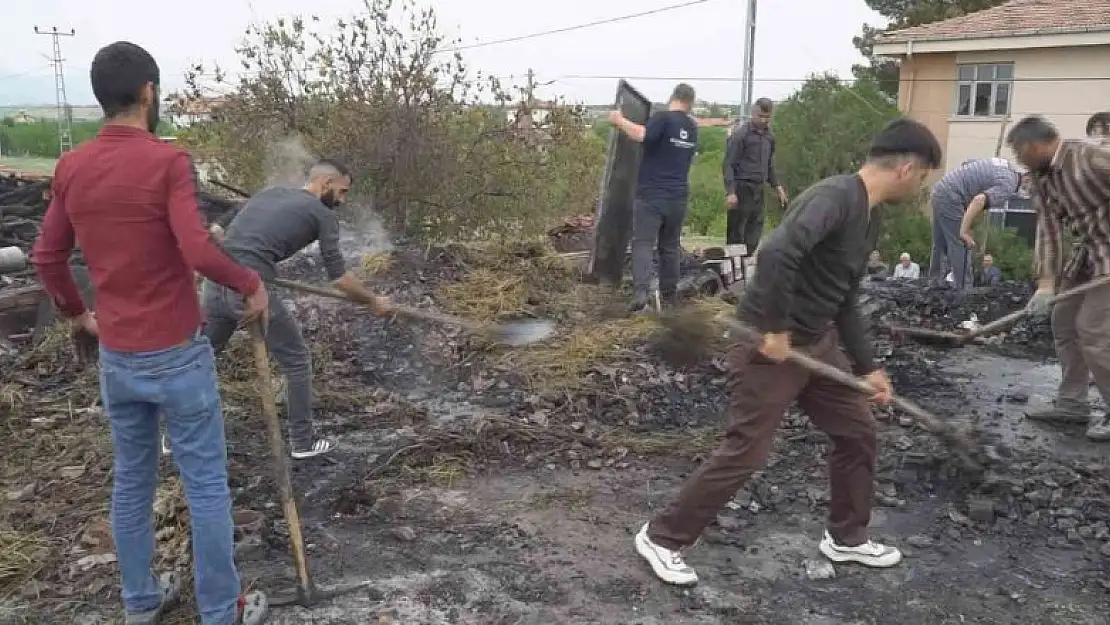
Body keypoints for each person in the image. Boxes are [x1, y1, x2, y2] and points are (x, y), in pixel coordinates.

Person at [633, 118, 942, 586]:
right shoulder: (835, 197)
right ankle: (662, 537)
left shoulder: (869, 216)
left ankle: (847, 536)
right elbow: (777, 253)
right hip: (768, 345)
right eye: (923, 177)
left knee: (857, 432)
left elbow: (846, 297)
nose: (920, 186)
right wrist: (775, 328)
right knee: (747, 451)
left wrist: (869, 367)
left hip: (817, 343)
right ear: (906, 168)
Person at [32, 41, 269, 625]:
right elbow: (196, 249)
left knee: (132, 484)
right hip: (178, 356)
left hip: (119, 357)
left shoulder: (72, 167)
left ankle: (140, 602)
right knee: (206, 486)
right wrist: (249, 284)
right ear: (148, 93)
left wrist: (75, 315)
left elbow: (47, 256)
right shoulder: (167, 162)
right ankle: (221, 612)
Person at [202, 159, 393, 458]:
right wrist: (373, 300)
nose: (341, 201)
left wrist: (225, 238)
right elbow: (340, 279)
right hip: (252, 289)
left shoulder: (270, 193)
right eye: (341, 192)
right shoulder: (322, 214)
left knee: (199, 358)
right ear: (326, 183)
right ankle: (303, 443)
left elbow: (218, 227)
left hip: (214, 282)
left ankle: (174, 436)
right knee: (296, 361)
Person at [1011, 116, 1110, 441]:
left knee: (1093, 329)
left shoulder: (1088, 157)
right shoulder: (1041, 179)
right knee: (1063, 321)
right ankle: (1072, 403)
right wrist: (1046, 284)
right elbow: (1049, 234)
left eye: (1018, 152)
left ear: (1033, 146)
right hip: (1087, 257)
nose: (1017, 159)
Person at [608, 83, 699, 312]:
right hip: (678, 198)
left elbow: (641, 135)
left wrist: (619, 120)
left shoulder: (664, 118)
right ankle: (670, 296)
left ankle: (641, 294)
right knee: (669, 246)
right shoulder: (691, 126)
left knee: (643, 243)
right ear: (690, 103)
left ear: (673, 97)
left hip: (652, 195)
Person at [929, 157, 1021, 290]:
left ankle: (935, 282)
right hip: (952, 196)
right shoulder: (1008, 186)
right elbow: (978, 200)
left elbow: (967, 163)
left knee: (940, 242)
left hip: (940, 188)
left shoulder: (1005, 165)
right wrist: (964, 230)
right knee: (960, 243)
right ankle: (964, 288)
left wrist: (968, 218)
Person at [722, 98, 789, 252]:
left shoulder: (769, 137)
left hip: (759, 189)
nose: (763, 120)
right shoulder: (741, 136)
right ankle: (734, 270)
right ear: (753, 113)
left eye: (767, 117)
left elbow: (769, 164)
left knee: (754, 232)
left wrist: (777, 186)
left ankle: (747, 263)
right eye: (760, 116)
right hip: (741, 188)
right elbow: (728, 164)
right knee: (736, 234)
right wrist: (731, 192)